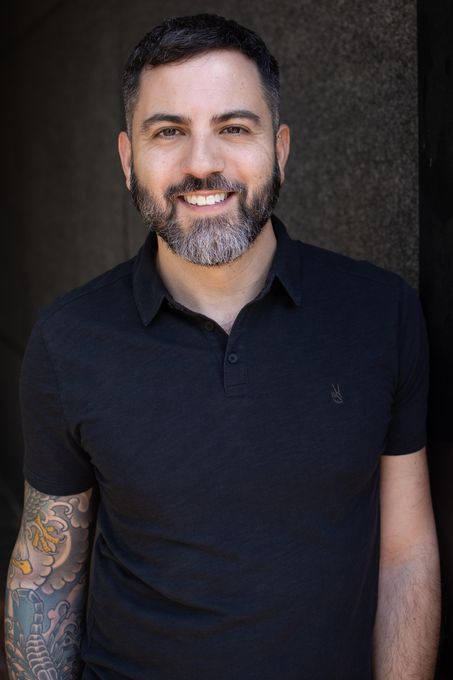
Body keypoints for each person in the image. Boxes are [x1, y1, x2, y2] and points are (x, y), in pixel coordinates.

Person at [5, 13, 440, 680]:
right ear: (127, 158)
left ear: (280, 148)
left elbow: (405, 554)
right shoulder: (69, 341)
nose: (202, 163)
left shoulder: (381, 314)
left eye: (234, 128)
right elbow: (43, 578)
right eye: (168, 132)